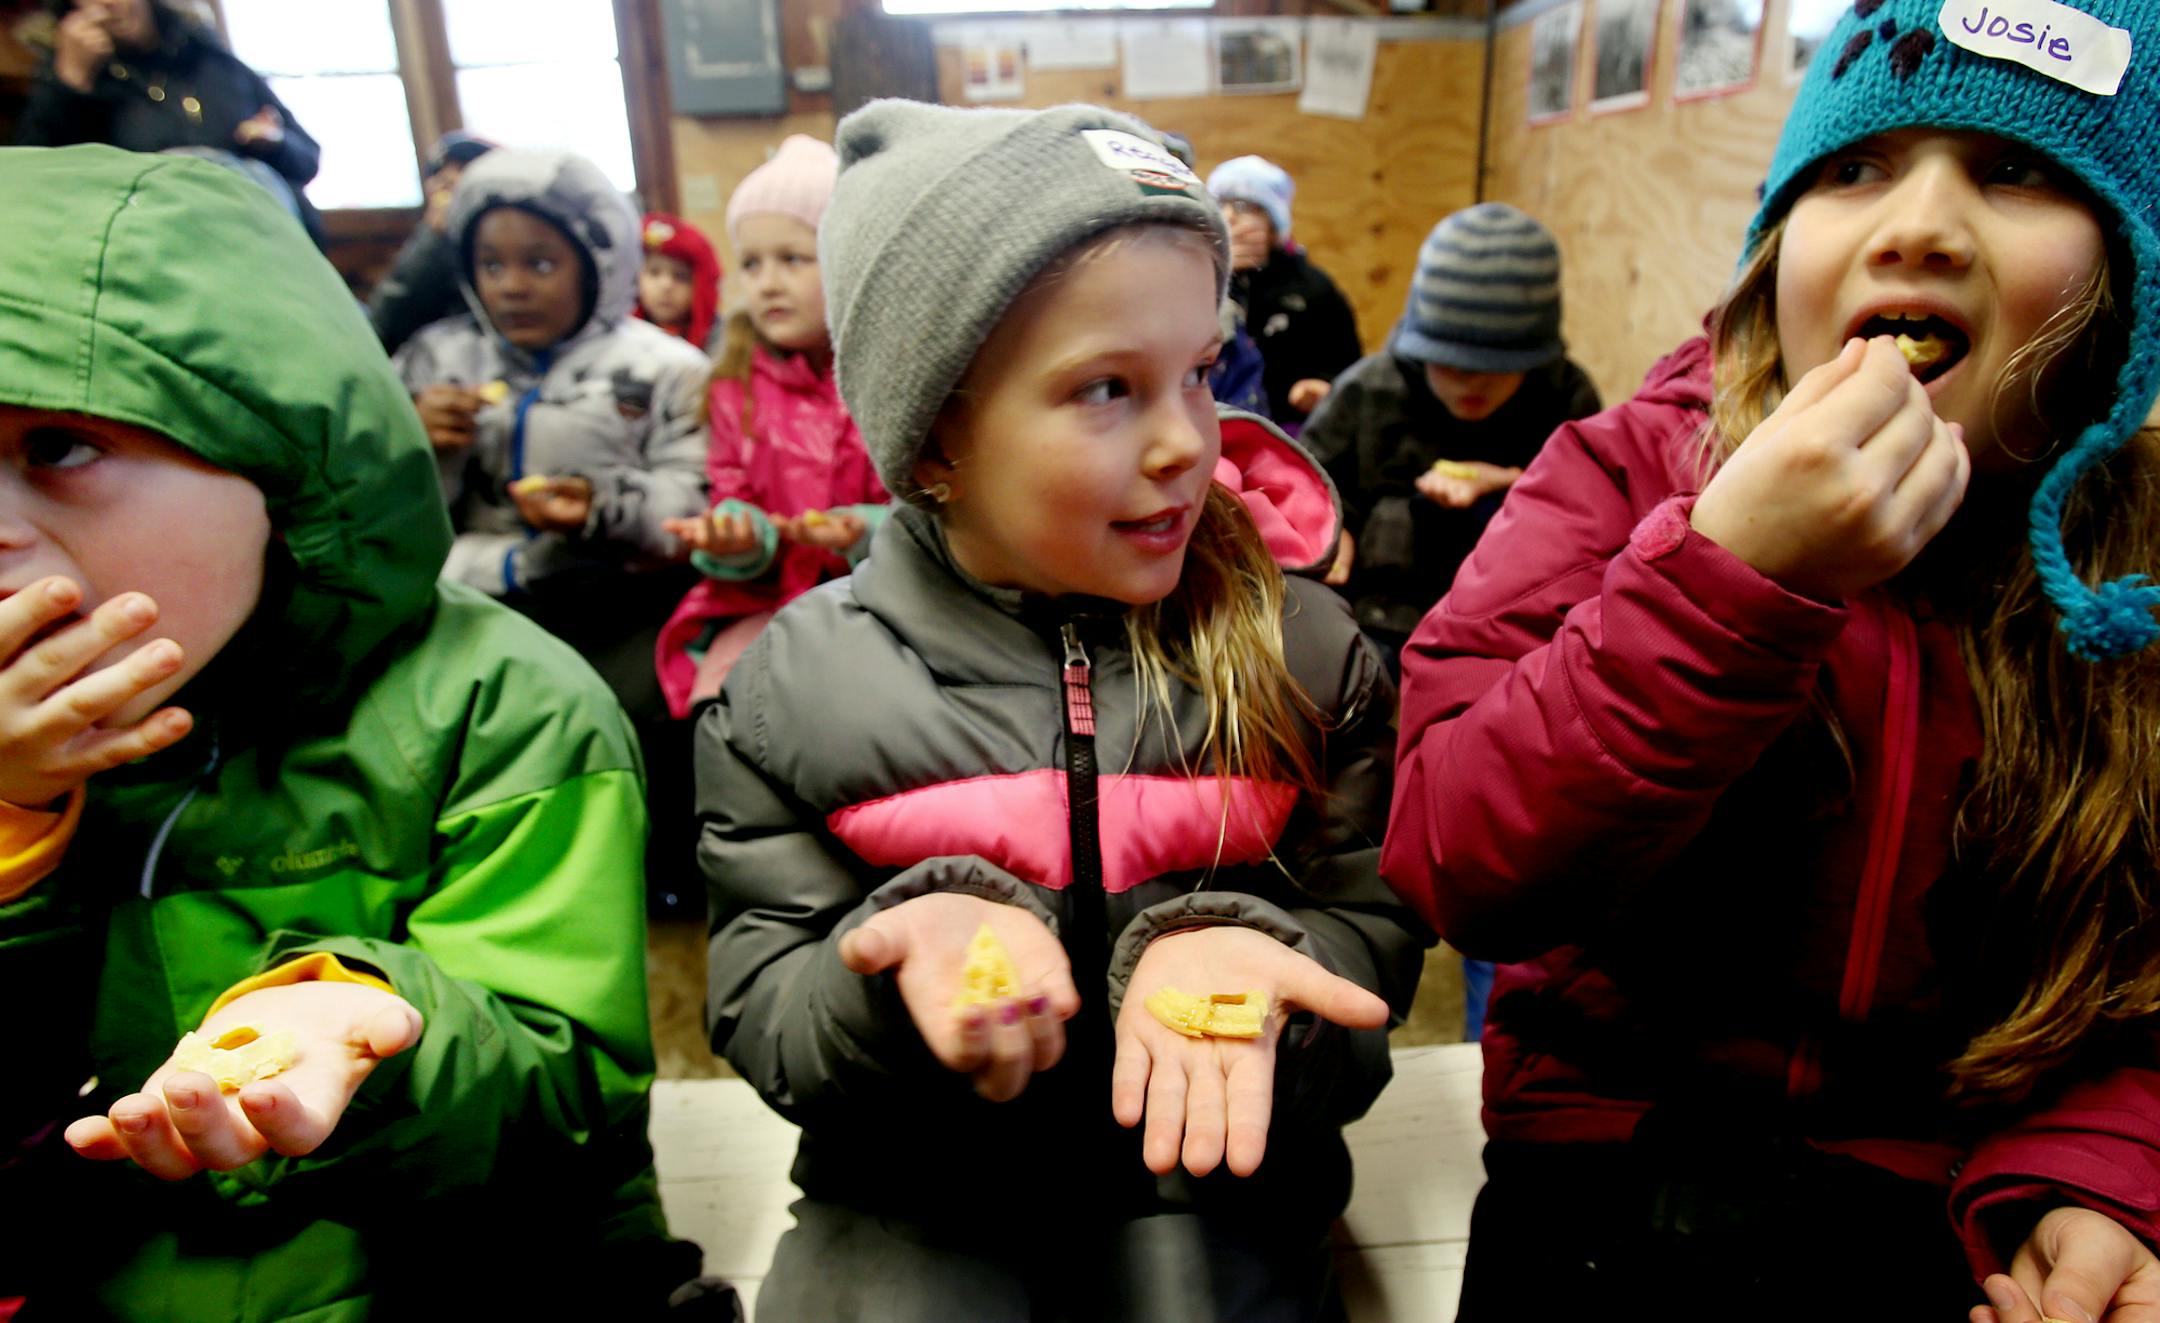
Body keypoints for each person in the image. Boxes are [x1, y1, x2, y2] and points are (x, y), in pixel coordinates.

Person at [1382, 0, 2160, 1315]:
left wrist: (2097, 1165)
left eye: (2018, 171)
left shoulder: (2129, 584)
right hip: (1608, 1180)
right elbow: (1459, 856)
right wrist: (1733, 578)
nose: (1913, 223)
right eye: (1852, 169)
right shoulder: (1623, 473)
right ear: (1774, 251)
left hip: (1954, 1199)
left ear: (2126, 285)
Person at [697, 101, 1428, 1320]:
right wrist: (886, 979)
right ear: (936, 435)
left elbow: (1370, 928)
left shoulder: (1300, 650)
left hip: (1216, 1177)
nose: (1186, 444)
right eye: (1107, 389)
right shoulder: (794, 695)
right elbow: (765, 1002)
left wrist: (1272, 977)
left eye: (1199, 374)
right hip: (919, 1175)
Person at [0, 146, 702, 1318]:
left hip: (446, 1271)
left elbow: (561, 1083)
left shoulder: (501, 708)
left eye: (58, 449)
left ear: (281, 441)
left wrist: (368, 1034)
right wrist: (17, 823)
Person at [1306, 204, 1601, 669]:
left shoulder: (1566, 397)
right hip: (1375, 615)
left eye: (1497, 368)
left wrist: (1514, 481)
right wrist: (1330, 525)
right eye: (1449, 362)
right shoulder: (1369, 388)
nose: (1471, 384)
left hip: (1509, 625)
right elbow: (1308, 479)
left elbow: (1592, 520)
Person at [654, 135, 883, 717]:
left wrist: (864, 529)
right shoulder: (735, 384)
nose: (767, 282)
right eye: (751, 263)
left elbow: (932, 505)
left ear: (849, 258)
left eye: (793, 259)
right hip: (770, 596)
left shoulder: (886, 373)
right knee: (724, 704)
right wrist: (738, 535)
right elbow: (734, 493)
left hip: (885, 596)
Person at [17, 0, 325, 246]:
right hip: (164, 254)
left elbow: (308, 159)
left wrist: (274, 142)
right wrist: (69, 84)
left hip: (272, 237)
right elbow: (31, 187)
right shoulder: (72, 85)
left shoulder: (213, 63)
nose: (106, 4)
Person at [1205, 154, 1362, 431]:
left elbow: (1347, 369)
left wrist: (1324, 387)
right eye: (1219, 204)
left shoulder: (1312, 289)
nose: (1228, 216)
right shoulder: (1200, 276)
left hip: (1288, 428)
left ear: (1275, 226)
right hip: (1212, 420)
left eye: (1244, 206)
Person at [368, 130, 498, 356]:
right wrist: (433, 238)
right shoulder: (428, 244)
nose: (447, 181)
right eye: (438, 174)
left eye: (463, 169)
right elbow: (386, 326)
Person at [635, 210, 724, 352]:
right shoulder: (620, 339)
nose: (666, 285)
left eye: (680, 276)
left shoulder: (722, 343)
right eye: (654, 272)